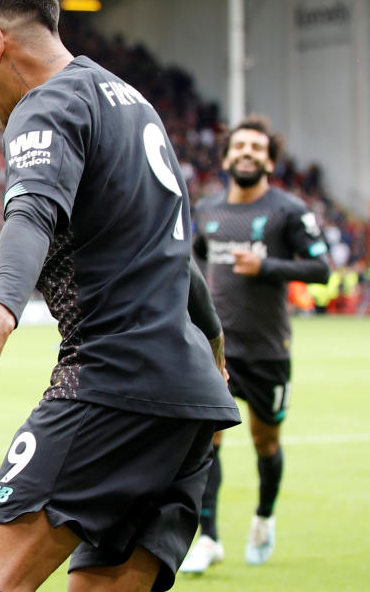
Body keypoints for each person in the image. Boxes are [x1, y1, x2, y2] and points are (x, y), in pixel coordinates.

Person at [0, 0, 241, 592]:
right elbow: (174, 248)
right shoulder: (133, 104)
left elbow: (30, 211)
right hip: (189, 402)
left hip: (111, 383)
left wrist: (2, 308)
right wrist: (211, 346)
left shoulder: (47, 102)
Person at [184, 116, 331, 573]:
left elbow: (321, 268)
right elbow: (198, 266)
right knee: (208, 443)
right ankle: (208, 538)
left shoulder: (289, 210)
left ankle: (264, 518)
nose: (246, 152)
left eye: (256, 147)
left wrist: (266, 267)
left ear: (269, 159)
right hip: (218, 352)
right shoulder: (206, 209)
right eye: (239, 146)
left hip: (269, 351)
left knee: (265, 442)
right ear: (227, 157)